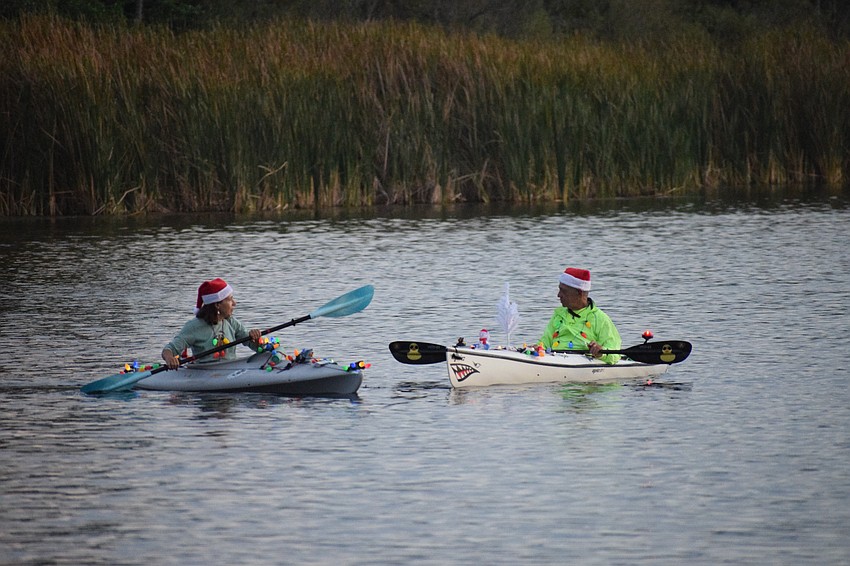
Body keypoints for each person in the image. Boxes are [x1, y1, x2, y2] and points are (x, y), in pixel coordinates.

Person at [162, 278, 262, 369]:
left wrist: (256, 339)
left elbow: (256, 347)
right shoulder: (194, 327)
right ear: (217, 304)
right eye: (230, 299)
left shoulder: (231, 322)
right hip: (204, 373)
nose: (234, 303)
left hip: (231, 368)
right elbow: (168, 350)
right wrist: (170, 358)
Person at [539, 267, 622, 364]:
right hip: (555, 360)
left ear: (579, 293)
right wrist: (538, 348)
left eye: (563, 291)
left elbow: (615, 355)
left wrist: (600, 352)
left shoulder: (600, 319)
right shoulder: (558, 315)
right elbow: (544, 343)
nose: (558, 295)